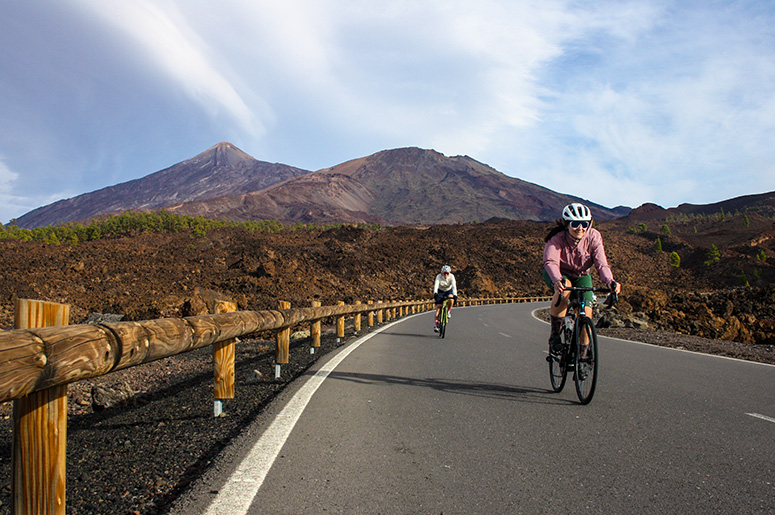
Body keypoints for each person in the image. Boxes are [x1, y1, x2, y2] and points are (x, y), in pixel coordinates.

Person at [543, 203, 622, 355]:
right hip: (558, 273)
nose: (580, 228)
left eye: (584, 224)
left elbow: (601, 264)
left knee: (586, 313)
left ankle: (583, 354)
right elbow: (550, 262)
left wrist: (610, 281)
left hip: (582, 275)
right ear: (567, 224)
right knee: (565, 288)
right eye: (575, 224)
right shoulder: (556, 239)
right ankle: (555, 337)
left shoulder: (594, 236)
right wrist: (557, 280)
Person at [433, 265, 457, 332]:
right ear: (442, 273)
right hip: (440, 291)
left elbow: (454, 286)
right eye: (444, 273)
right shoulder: (438, 276)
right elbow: (436, 285)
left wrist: (455, 295)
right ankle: (436, 324)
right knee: (438, 308)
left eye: (447, 273)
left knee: (451, 299)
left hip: (448, 290)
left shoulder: (452, 277)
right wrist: (435, 293)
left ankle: (448, 311)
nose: (446, 275)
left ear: (449, 273)